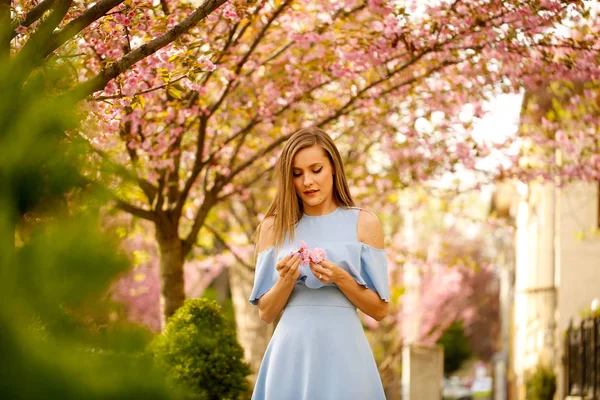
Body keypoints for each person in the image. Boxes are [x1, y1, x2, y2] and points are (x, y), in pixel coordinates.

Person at [249, 127, 390, 400]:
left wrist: (341, 278)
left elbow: (380, 310)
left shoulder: (364, 223)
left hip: (345, 351)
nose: (307, 182)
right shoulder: (272, 228)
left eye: (316, 169)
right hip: (291, 353)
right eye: (297, 173)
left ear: (334, 168)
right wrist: (286, 280)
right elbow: (266, 313)